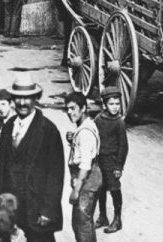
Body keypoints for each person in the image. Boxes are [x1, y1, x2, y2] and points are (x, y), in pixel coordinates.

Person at [0, 74, 64, 242]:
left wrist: (48, 210)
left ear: (36, 98)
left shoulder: (48, 130)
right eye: (18, 98)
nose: (22, 103)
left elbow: (55, 174)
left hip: (37, 209)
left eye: (27, 98)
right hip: (11, 208)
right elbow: (1, 167)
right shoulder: (9, 126)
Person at [65, 91, 102, 242]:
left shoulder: (85, 132)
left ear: (83, 108)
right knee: (84, 222)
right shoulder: (86, 126)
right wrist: (72, 138)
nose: (69, 112)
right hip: (91, 180)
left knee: (82, 224)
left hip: (86, 182)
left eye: (73, 108)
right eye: (67, 108)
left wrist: (76, 190)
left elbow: (86, 164)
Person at [94, 87, 127, 234]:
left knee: (114, 189)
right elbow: (93, 137)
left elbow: (124, 147)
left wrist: (119, 166)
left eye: (117, 104)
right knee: (101, 189)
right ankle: (102, 216)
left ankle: (117, 218)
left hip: (112, 162)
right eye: (111, 104)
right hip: (100, 160)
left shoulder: (119, 122)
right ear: (104, 105)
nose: (115, 107)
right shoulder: (98, 120)